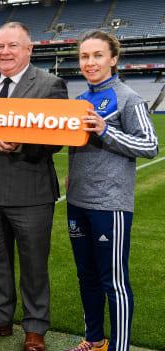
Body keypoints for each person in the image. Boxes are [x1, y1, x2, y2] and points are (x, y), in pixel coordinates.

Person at [0, 22, 68, 351]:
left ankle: (35, 328)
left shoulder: (51, 84)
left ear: (28, 50)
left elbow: (57, 139)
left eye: (12, 46)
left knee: (34, 263)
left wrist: (19, 141)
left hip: (31, 192)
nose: (4, 52)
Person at [64, 30, 158, 351]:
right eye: (84, 56)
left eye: (97, 55)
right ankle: (94, 340)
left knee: (113, 282)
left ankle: (119, 348)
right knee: (86, 276)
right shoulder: (79, 102)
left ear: (114, 59)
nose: (90, 62)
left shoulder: (129, 98)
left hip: (109, 205)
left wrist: (105, 131)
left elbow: (150, 144)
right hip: (77, 202)